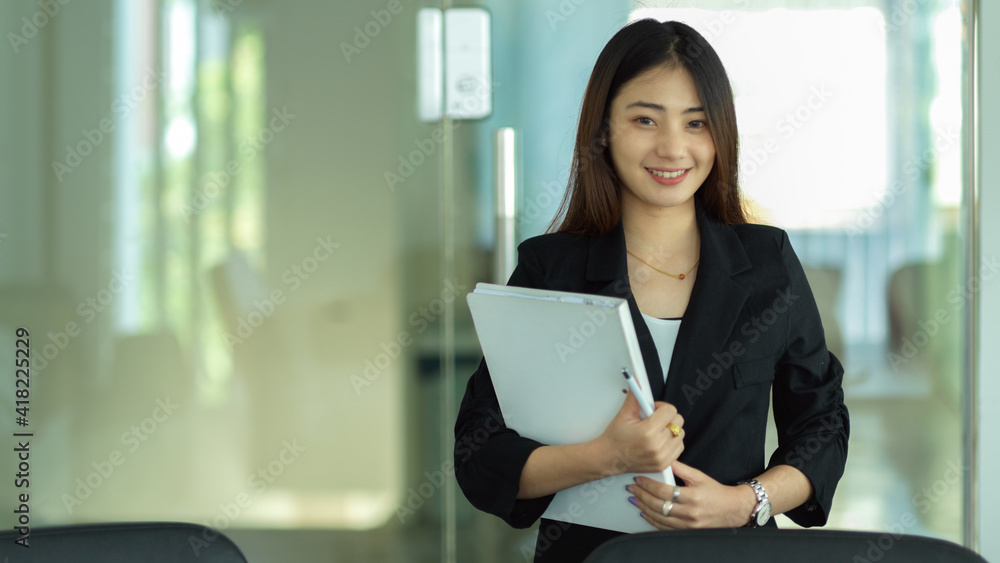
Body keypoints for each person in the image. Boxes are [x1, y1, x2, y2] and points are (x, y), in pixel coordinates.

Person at [454, 19, 849, 562]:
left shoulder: (766, 262)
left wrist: (745, 501)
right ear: (603, 129)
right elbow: (480, 455)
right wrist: (606, 457)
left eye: (696, 123)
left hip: (735, 554)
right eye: (645, 119)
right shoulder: (552, 268)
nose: (672, 148)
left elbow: (822, 422)